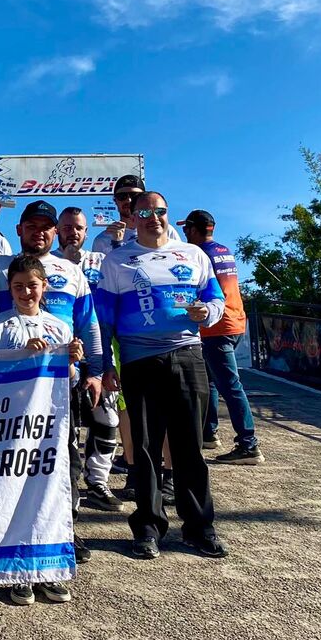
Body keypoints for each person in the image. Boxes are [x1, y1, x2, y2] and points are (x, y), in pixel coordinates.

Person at [0, 199, 103, 565]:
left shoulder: (71, 271)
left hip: (59, 384)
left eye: (45, 226)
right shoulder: (2, 266)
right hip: (13, 391)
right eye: (31, 226)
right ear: (19, 230)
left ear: (55, 231)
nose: (38, 232)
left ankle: (66, 530)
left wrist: (96, 370)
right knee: (11, 461)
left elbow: (89, 323)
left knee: (65, 462)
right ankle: (4, 530)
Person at [96, 191, 229, 560]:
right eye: (145, 212)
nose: (154, 218)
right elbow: (103, 320)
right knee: (145, 448)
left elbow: (217, 298)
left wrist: (210, 313)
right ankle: (149, 527)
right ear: (132, 217)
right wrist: (105, 364)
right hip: (139, 361)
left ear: (167, 215)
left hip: (188, 355)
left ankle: (200, 527)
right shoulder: (117, 260)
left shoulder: (194, 254)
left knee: (190, 447)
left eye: (160, 212)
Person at [0, 254, 84, 605]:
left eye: (33, 285)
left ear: (45, 287)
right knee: (12, 492)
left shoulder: (60, 326)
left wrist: (71, 362)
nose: (26, 292)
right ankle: (17, 571)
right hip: (9, 423)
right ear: (9, 289)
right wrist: (21, 358)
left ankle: (48, 570)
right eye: (18, 286)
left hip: (52, 425)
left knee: (53, 492)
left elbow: (72, 380)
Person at [181, 209, 264, 465]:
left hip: (217, 326)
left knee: (230, 385)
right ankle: (209, 433)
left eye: (186, 230)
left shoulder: (199, 255)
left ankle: (248, 445)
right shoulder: (223, 250)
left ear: (194, 230)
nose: (184, 235)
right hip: (236, 320)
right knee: (212, 381)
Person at [54, 207, 123, 513]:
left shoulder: (99, 261)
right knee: (65, 428)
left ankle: (97, 481)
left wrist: (103, 363)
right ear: (58, 231)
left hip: (101, 348)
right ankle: (65, 490)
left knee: (107, 417)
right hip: (61, 356)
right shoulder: (46, 262)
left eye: (79, 228)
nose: (73, 233)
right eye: (67, 227)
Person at [90, 174, 180, 255]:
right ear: (115, 201)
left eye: (134, 195)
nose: (128, 200)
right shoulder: (103, 239)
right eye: (122, 196)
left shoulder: (166, 230)